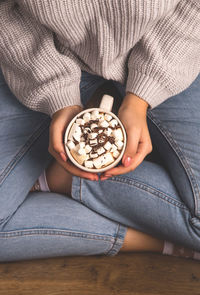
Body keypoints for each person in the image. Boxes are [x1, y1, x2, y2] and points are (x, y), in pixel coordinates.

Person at [0, 0, 200, 261]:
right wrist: (56, 93)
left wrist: (143, 93)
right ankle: (159, 242)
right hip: (38, 55)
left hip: (171, 47)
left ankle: (61, 178)